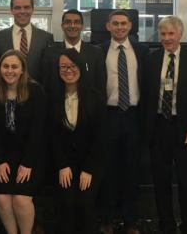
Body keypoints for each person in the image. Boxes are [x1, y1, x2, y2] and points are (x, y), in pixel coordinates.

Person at [144, 16, 187, 234]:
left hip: (185, 128)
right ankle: (166, 223)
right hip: (158, 127)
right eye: (163, 34)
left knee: (186, 180)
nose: (167, 38)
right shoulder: (151, 60)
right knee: (160, 180)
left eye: (171, 34)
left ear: (180, 35)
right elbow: (146, 97)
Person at [97, 10, 149, 234]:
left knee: (131, 169)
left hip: (133, 116)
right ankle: (107, 217)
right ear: (108, 26)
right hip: (107, 115)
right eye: (115, 23)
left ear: (130, 26)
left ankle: (130, 220)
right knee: (107, 168)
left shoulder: (143, 51)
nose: (119, 27)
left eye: (123, 23)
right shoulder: (98, 51)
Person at [51, 49, 108, 234]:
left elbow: (101, 137)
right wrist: (62, 165)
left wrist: (89, 169)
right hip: (64, 164)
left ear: (81, 68)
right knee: (66, 203)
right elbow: (52, 136)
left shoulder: (96, 97)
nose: (68, 70)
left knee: (85, 202)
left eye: (73, 66)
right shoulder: (51, 97)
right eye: (64, 66)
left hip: (90, 163)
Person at [0, 50, 47, 234]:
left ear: (22, 70)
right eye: (5, 66)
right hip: (3, 156)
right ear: (0, 68)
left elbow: (38, 131)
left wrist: (28, 163)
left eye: (15, 66)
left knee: (21, 199)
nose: (10, 71)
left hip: (31, 156)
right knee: (2, 198)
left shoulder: (35, 91)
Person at [0, 0, 54, 83]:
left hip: (37, 93)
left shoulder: (46, 38)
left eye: (26, 7)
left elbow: (48, 72)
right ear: (11, 10)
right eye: (17, 8)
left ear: (32, 9)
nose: (22, 11)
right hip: (5, 94)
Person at [41, 9, 106, 96]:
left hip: (89, 107)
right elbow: (46, 85)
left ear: (82, 26)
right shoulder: (50, 53)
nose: (72, 25)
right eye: (68, 22)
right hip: (57, 106)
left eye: (76, 22)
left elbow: (100, 85)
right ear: (62, 26)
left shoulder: (96, 53)